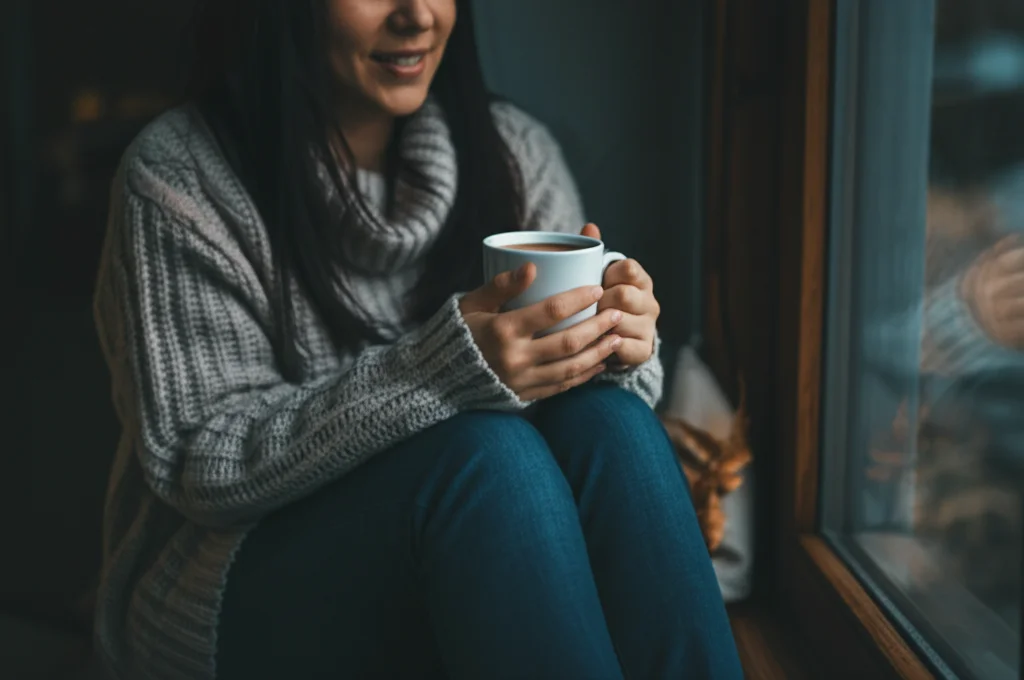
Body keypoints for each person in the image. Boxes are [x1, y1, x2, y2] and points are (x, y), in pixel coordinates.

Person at [91, 1, 742, 678]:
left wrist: (615, 343)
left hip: (481, 544)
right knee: (488, 455)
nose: (418, 15)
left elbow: (580, 412)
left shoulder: (513, 151)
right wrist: (439, 372)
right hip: (230, 577)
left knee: (615, 421)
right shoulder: (180, 176)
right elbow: (203, 463)